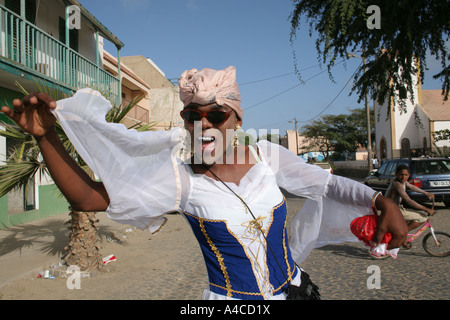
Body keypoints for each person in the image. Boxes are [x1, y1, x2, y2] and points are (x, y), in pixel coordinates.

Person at [1, 66, 408, 300]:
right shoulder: (180, 183)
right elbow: (90, 198)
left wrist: (381, 202)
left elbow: (326, 185)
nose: (204, 125)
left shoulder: (267, 156)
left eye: (216, 115)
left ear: (236, 119)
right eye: (193, 117)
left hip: (298, 291)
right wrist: (45, 136)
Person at [385, 164, 435, 232]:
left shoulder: (402, 181)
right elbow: (408, 201)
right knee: (423, 217)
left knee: (414, 216)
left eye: (406, 175)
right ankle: (403, 234)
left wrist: (426, 193)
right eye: (401, 174)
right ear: (396, 174)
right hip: (393, 210)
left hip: (397, 208)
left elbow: (412, 187)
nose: (403, 177)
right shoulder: (397, 184)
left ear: (409, 175)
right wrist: (426, 209)